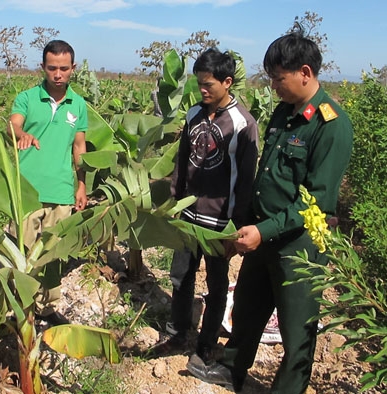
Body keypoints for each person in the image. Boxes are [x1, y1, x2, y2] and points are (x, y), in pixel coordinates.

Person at [188, 30, 354, 393]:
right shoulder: (284, 111)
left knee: (297, 328)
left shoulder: (331, 126)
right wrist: (248, 225)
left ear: (305, 73)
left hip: (299, 246)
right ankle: (231, 369)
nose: (273, 86)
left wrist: (265, 230)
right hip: (263, 231)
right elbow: (266, 176)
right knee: (248, 307)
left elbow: (319, 202)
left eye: (279, 78)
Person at [152, 49, 259, 362]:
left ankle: (206, 344)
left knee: (216, 284)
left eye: (208, 84)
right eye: (199, 83)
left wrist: (236, 226)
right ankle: (177, 333)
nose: (202, 89)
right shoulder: (193, 114)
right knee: (180, 277)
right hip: (187, 214)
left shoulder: (243, 123)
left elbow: (245, 180)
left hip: (218, 222)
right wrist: (174, 201)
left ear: (227, 82)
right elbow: (182, 163)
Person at [7, 39, 87, 324]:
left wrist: (81, 185)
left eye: (64, 68)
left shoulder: (78, 105)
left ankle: (47, 308)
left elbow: (79, 148)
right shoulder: (28, 98)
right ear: (43, 67)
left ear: (72, 68)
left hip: (62, 191)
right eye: (52, 68)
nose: (58, 74)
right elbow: (13, 123)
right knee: (22, 253)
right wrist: (21, 134)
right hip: (26, 190)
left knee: (53, 256)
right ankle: (16, 308)